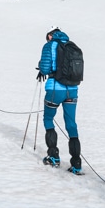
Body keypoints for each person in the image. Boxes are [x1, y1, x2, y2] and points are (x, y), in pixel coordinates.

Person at [37, 26, 82, 175]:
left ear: (51, 35)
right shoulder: (72, 45)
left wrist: (43, 70)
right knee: (71, 124)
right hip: (73, 90)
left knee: (48, 118)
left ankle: (53, 156)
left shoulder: (50, 45)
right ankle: (76, 164)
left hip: (55, 89)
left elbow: (44, 68)